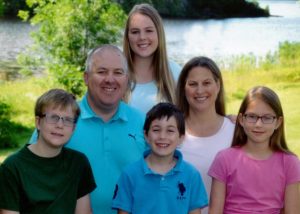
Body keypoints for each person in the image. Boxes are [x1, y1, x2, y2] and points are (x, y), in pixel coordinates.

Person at [29, 45, 147, 214]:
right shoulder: (60, 121)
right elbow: (28, 173)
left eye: (118, 72)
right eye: (102, 72)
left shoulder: (143, 123)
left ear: (127, 79)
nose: (110, 79)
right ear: (86, 77)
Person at [0, 89, 96, 213]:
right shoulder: (12, 167)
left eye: (67, 120)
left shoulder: (78, 163)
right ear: (38, 122)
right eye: (53, 117)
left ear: (73, 128)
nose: (60, 125)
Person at [208, 86, 300, 213]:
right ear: (241, 119)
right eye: (252, 116)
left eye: (267, 118)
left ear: (278, 122)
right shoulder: (224, 159)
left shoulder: (290, 162)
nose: (258, 124)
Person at [112, 102, 208, 214]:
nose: (162, 136)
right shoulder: (129, 174)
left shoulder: (191, 175)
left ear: (181, 138)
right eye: (156, 130)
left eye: (170, 131)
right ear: (146, 135)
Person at [176, 56, 235, 214]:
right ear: (183, 88)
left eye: (207, 83)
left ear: (218, 85)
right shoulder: (171, 132)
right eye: (193, 84)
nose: (200, 90)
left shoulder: (236, 132)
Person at [123, 3, 182, 113]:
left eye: (149, 31)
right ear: (127, 37)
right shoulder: (116, 74)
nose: (142, 37)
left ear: (159, 33)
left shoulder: (176, 72)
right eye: (135, 32)